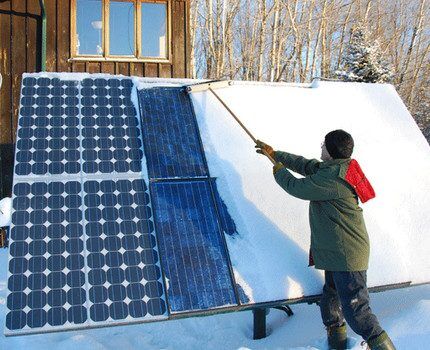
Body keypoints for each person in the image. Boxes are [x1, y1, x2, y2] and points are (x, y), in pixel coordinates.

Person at [255, 130, 395, 350]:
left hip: (347, 255)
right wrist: (275, 154)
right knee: (331, 301)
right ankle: (337, 345)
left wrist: (278, 170)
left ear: (330, 151)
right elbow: (306, 165)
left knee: (358, 313)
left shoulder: (333, 179)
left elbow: (297, 187)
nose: (320, 147)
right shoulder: (335, 168)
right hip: (336, 253)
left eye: (323, 144)